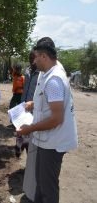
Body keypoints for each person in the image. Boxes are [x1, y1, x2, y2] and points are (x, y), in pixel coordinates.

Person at [17, 37, 78, 203]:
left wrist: (29, 129)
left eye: (36, 56)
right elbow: (49, 100)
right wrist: (34, 104)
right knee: (41, 183)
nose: (34, 60)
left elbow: (56, 118)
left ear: (44, 56)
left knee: (48, 188)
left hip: (53, 143)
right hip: (45, 140)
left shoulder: (54, 80)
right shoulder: (50, 71)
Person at [21, 49, 40, 201]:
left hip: (35, 110)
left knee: (33, 138)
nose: (31, 61)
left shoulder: (42, 73)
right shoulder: (27, 71)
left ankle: (33, 167)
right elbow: (24, 90)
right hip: (24, 108)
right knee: (25, 139)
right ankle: (28, 164)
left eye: (32, 58)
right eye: (29, 58)